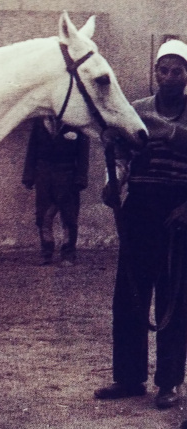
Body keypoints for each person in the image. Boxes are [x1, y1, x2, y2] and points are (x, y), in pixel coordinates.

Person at [94, 39, 187, 409]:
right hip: (140, 210)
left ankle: (168, 383)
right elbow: (120, 157)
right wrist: (111, 182)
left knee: (174, 300)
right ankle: (129, 378)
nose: (167, 77)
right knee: (130, 296)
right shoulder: (136, 111)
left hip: (178, 215)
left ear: (186, 75)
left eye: (176, 70)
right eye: (162, 70)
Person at [22, 117, 90, 265]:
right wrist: (29, 176)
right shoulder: (40, 122)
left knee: (69, 217)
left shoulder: (76, 122)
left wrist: (81, 178)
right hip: (44, 177)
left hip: (68, 176)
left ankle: (68, 254)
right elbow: (32, 149)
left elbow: (83, 153)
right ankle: (46, 252)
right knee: (43, 217)